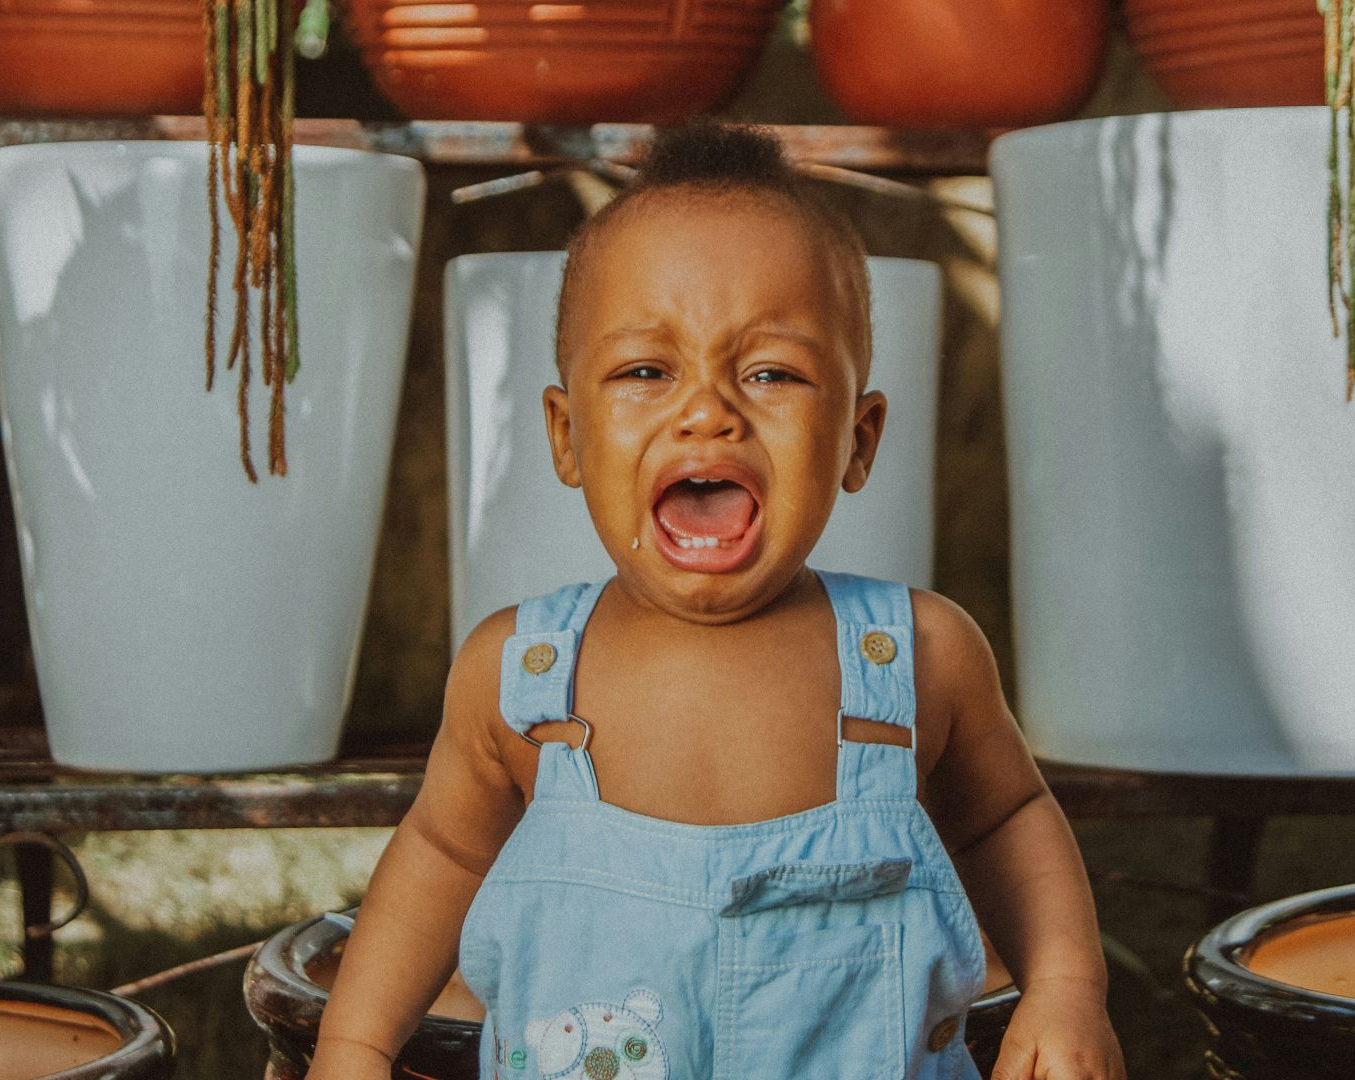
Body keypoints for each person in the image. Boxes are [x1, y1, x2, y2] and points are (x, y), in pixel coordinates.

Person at [307, 121, 1124, 1080]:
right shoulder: (521, 676)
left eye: (772, 372)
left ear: (858, 441)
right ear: (566, 436)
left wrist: (1066, 987)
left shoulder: (919, 655)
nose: (708, 410)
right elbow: (441, 859)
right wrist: (354, 1045)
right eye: (646, 372)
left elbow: (1006, 819)